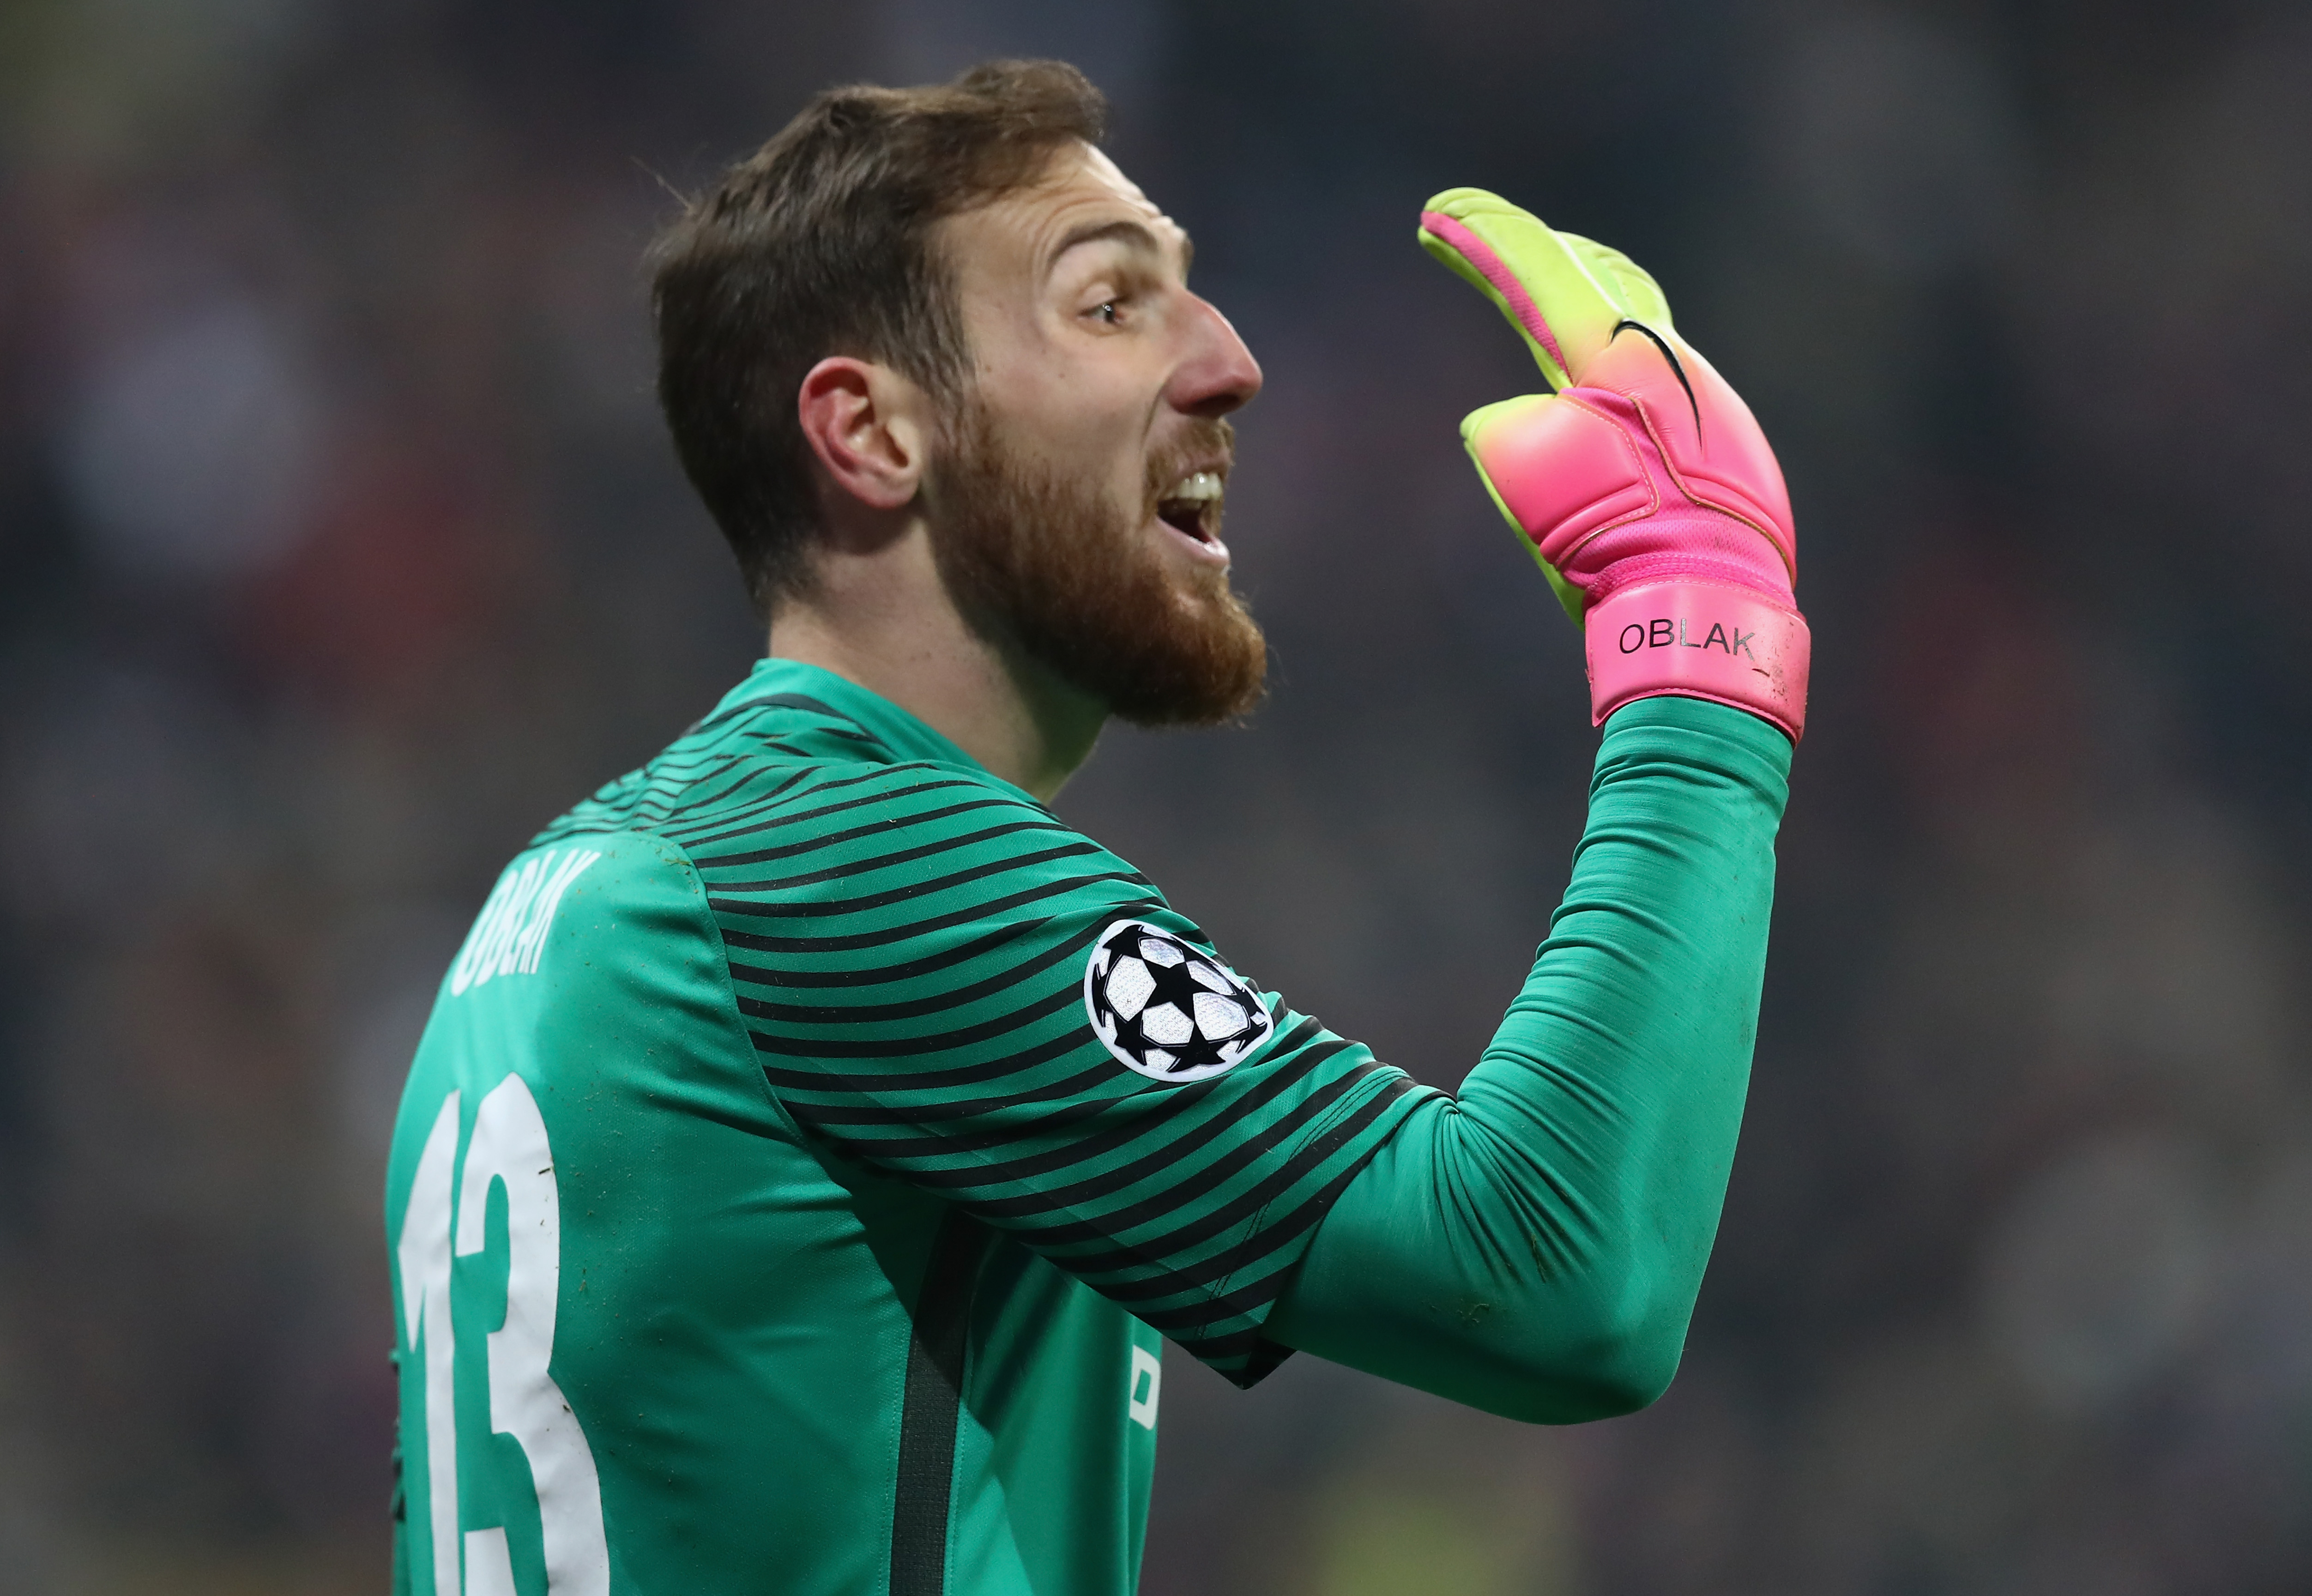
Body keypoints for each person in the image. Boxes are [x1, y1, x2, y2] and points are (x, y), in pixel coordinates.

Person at [383, 57, 1808, 1596]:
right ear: (872, 433)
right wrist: (1701, 659)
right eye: (1112, 306)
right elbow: (1551, 1274)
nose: (1232, 361)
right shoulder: (850, 865)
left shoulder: (568, 893)